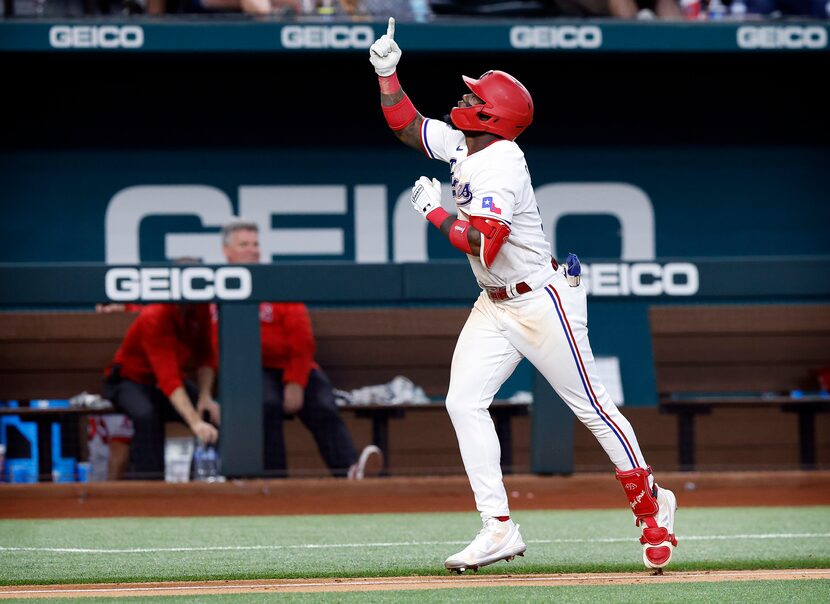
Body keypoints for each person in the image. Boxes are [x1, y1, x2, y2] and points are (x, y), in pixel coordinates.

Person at [369, 18, 678, 573]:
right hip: (494, 303)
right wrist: (387, 73)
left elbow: (483, 245)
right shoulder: (468, 145)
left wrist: (433, 211)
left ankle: (654, 506)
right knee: (463, 402)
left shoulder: (502, 164)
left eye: (473, 96)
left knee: (592, 408)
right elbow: (409, 128)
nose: (463, 99)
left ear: (492, 115)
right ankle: (498, 528)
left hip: (541, 300)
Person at [217, 220, 381, 479]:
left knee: (323, 403)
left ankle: (349, 470)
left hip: (292, 367)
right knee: (266, 403)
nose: (252, 250)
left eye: (256, 244)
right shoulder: (215, 288)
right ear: (227, 251)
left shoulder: (275, 282)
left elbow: (302, 339)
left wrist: (294, 381)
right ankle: (275, 479)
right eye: (244, 244)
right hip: (249, 371)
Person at [103, 302, 220, 479]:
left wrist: (205, 396)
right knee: (147, 416)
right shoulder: (155, 316)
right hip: (130, 380)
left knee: (209, 413)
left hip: (165, 383)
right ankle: (151, 487)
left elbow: (206, 355)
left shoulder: (200, 307)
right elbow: (169, 380)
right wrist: (195, 423)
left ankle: (200, 482)